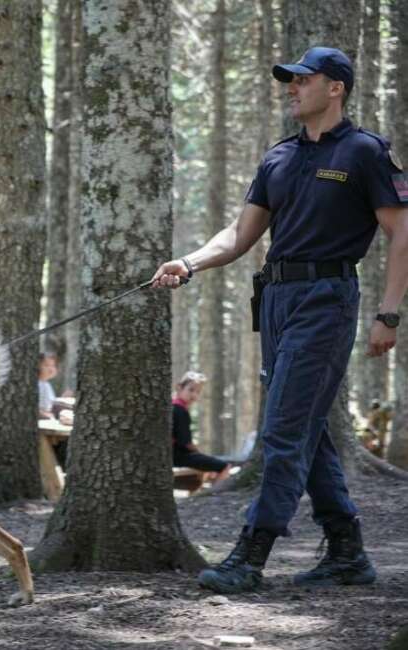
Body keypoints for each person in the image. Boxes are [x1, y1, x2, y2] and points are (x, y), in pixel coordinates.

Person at [153, 46, 408, 594]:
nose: (291, 88)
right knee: (305, 428)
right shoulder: (278, 158)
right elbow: (240, 236)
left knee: (284, 429)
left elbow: (402, 232)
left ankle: (252, 553)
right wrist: (188, 263)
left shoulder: (366, 152)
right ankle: (346, 551)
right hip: (275, 298)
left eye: (303, 80)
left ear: (335, 87)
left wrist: (389, 312)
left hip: (327, 297)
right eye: (289, 81)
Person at [171, 371, 231, 488]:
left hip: (174, 454)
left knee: (208, 465)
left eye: (198, 392)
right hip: (177, 456)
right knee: (224, 466)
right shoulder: (179, 410)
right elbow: (185, 443)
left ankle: (208, 491)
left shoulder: (173, 406)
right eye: (191, 390)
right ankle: (214, 494)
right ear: (179, 388)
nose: (194, 395)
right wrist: (198, 453)